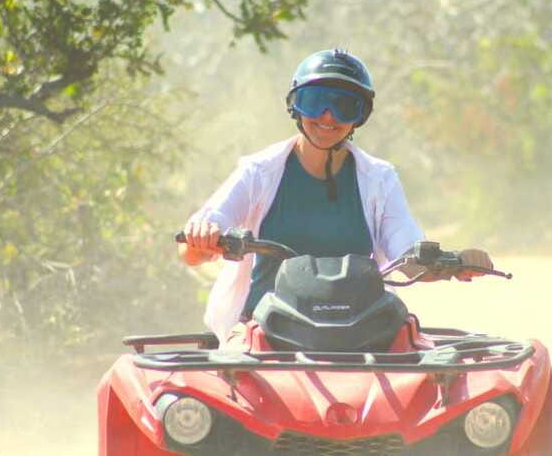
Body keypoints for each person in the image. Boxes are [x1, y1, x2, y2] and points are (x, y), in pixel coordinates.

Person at [179, 49, 493, 346]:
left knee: (426, 381)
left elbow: (408, 258)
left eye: (344, 105)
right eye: (315, 101)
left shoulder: (380, 179)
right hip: (263, 332)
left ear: (361, 116)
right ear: (295, 105)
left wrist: (454, 264)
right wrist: (201, 238)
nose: (328, 116)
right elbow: (191, 249)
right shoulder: (258, 172)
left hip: (362, 334)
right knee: (226, 387)